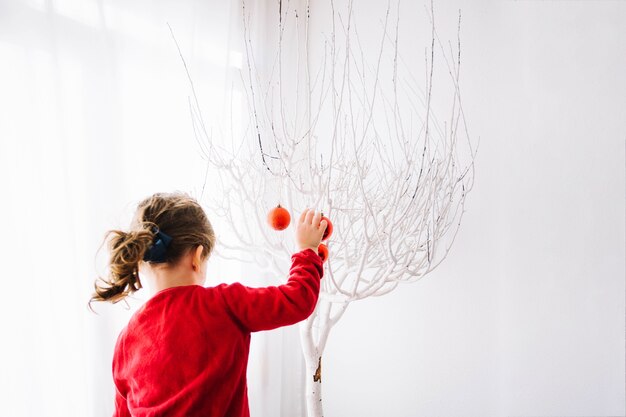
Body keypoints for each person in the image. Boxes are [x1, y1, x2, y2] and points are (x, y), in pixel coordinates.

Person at [89, 191, 328, 417]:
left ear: (140, 263)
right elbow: (297, 300)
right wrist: (307, 250)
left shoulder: (125, 341)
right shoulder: (225, 304)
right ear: (197, 257)